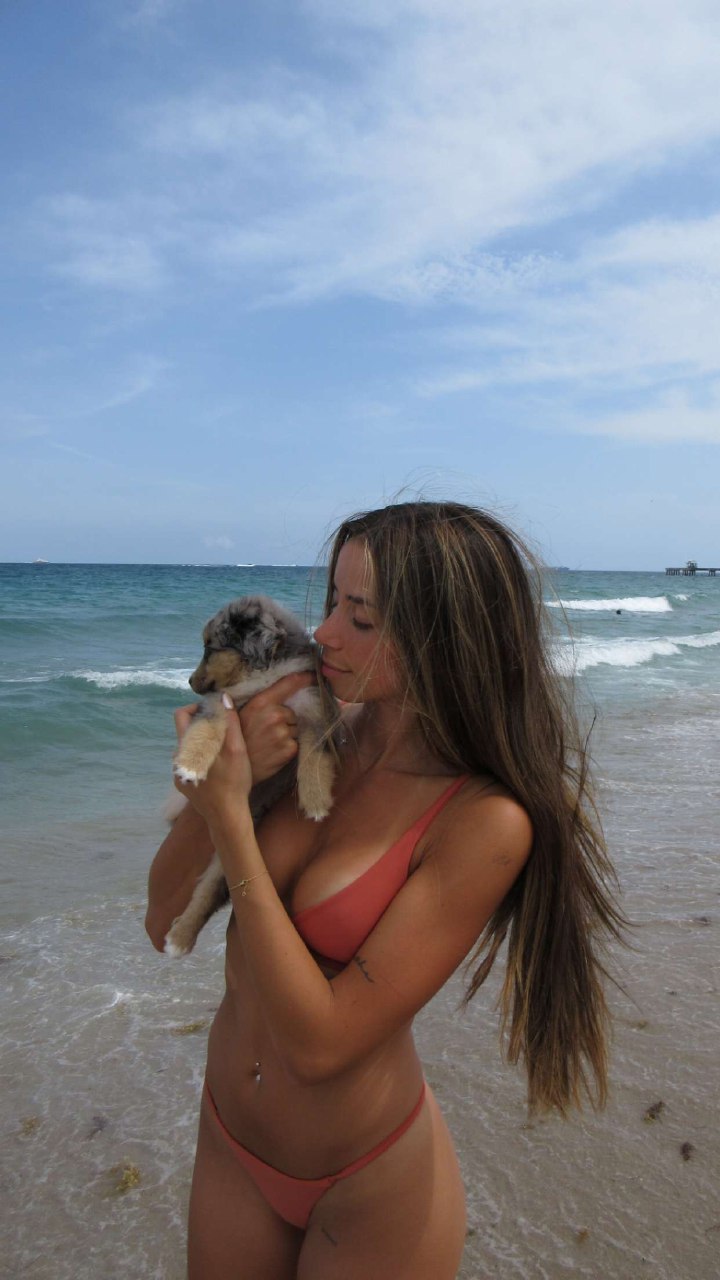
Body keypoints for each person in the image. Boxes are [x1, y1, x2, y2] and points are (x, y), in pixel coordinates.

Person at [146, 501, 623, 1280]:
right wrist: (221, 790)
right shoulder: (305, 732)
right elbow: (161, 918)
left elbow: (322, 1044)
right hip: (228, 1142)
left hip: (366, 1187)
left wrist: (230, 818)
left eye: (361, 618)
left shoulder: (482, 822)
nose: (324, 632)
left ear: (446, 639)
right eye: (333, 602)